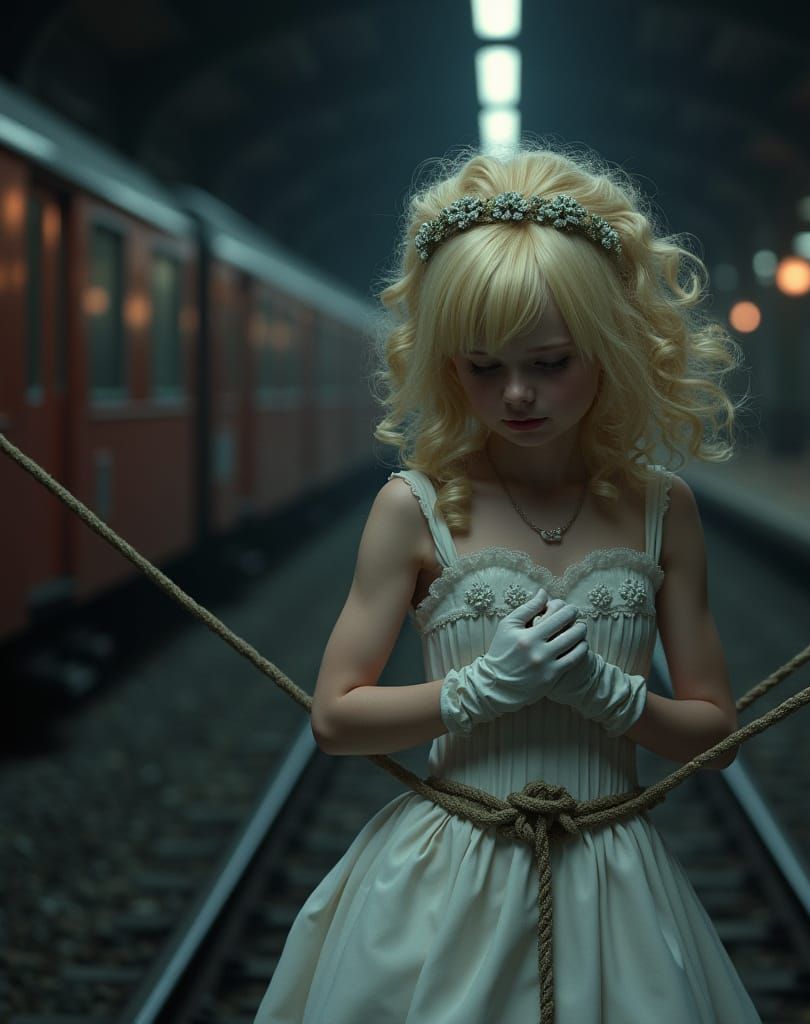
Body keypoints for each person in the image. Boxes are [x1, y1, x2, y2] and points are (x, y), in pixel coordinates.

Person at [254, 144, 760, 1022]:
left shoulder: (661, 507)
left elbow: (716, 735)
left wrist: (611, 696)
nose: (517, 393)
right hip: (445, 877)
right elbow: (335, 718)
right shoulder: (411, 508)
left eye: (551, 362)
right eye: (482, 367)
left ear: (609, 351)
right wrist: (485, 687)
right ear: (448, 363)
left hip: (612, 874)